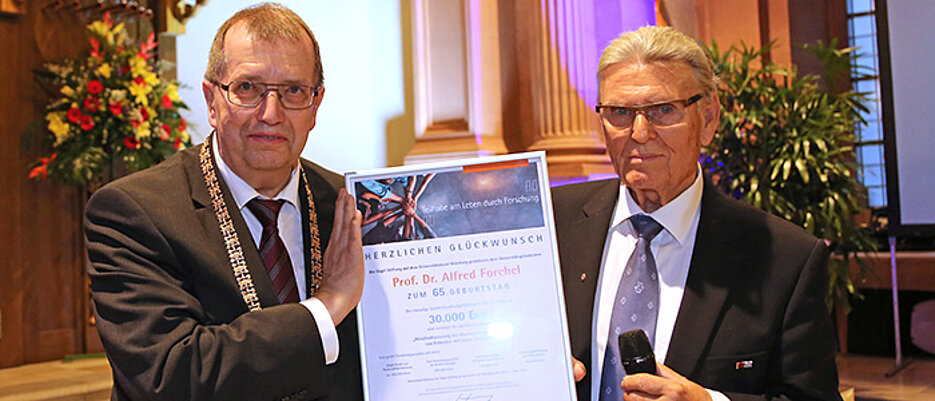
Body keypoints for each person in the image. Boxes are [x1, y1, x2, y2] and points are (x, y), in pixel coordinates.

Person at [84, 3, 364, 400]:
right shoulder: (133, 212)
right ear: (212, 100)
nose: (271, 113)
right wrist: (328, 305)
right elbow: (169, 376)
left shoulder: (351, 210)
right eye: (248, 88)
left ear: (315, 105)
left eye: (293, 91)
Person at [554, 26, 842, 401]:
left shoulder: (785, 259)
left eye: (663, 110)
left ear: (708, 119)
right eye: (620, 112)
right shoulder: (552, 225)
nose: (639, 132)